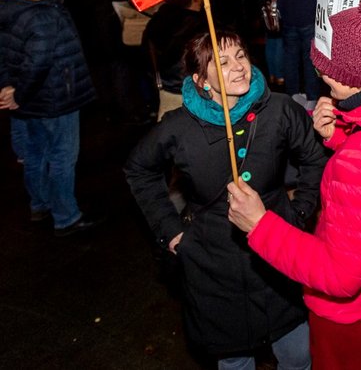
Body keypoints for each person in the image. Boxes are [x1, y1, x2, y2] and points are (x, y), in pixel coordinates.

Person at [226, 0, 361, 369]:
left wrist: (259, 225)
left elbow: (340, 277)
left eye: (324, 70)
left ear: (343, 76)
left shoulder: (360, 161)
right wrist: (338, 136)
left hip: (358, 313)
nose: (320, 77)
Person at [126, 30, 326, 368]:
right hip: (214, 266)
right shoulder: (178, 127)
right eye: (221, 62)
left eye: (241, 56)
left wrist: (299, 211)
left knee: (298, 354)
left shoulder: (279, 109)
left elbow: (315, 158)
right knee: (235, 362)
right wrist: (171, 231)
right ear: (201, 80)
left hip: (277, 255)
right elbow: (138, 169)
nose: (238, 67)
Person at [0, 0, 97, 235]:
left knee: (34, 155)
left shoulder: (11, 7)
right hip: (55, 98)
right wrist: (20, 94)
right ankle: (66, 216)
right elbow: (38, 61)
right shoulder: (43, 13)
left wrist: (7, 87)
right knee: (62, 158)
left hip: (27, 98)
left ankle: (40, 205)